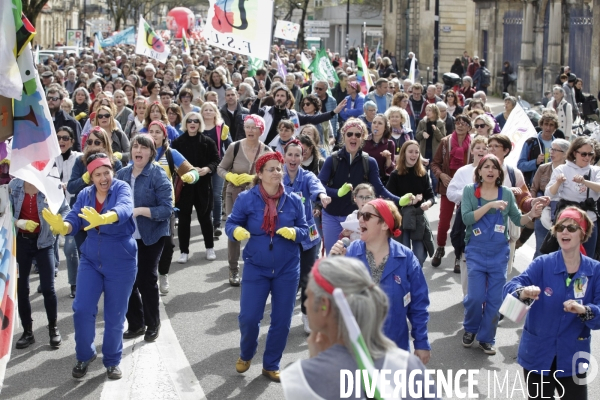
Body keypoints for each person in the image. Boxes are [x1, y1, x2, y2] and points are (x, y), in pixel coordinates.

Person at [280, 257, 434, 399]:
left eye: (308, 296)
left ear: (324, 306)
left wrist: (314, 363)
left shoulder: (298, 380)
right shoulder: (409, 366)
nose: (305, 304)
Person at [43, 152, 137, 380]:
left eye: (107, 172)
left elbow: (125, 208)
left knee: (115, 315)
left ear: (112, 172)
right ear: (91, 176)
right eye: (98, 174)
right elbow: (75, 217)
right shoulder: (85, 194)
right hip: (91, 259)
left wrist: (106, 217)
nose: (104, 178)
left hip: (121, 259)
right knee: (82, 308)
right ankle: (84, 355)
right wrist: (63, 226)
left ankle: (112, 360)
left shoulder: (122, 187)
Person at [226, 152, 308, 382]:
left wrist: (296, 232)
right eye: (270, 169)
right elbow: (231, 223)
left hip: (287, 269)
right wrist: (236, 231)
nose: (276, 173)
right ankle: (246, 354)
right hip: (256, 267)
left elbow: (309, 231)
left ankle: (271, 364)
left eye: (279, 169)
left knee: (281, 321)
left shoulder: (293, 200)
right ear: (259, 174)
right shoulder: (246, 199)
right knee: (249, 318)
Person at [504, 207, 600, 400]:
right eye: (560, 227)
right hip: (538, 353)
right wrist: (523, 293)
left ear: (583, 233)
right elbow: (511, 286)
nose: (564, 232)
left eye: (571, 228)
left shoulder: (595, 270)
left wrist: (584, 310)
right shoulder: (542, 263)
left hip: (573, 356)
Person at [330, 199, 431, 364]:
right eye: (360, 214)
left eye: (367, 216)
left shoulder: (406, 258)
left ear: (385, 224)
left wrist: (421, 342)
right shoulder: (350, 253)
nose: (361, 219)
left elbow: (419, 304)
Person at [461, 154, 543, 355]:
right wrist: (489, 205)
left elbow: (518, 219)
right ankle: (471, 328)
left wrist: (532, 214)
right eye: (486, 166)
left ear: (500, 172)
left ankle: (487, 338)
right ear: (479, 171)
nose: (490, 170)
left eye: (494, 167)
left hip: (499, 254)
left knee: (495, 300)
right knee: (475, 297)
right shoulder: (470, 191)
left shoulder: (506, 193)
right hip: (476, 251)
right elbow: (466, 219)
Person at [116, 135, 173, 342]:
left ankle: (153, 323)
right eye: (135, 146)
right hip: (125, 236)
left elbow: (167, 209)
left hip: (151, 236)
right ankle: (136, 324)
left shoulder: (157, 174)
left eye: (143, 147)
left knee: (146, 279)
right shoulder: (121, 174)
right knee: (127, 280)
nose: (138, 150)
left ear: (152, 152)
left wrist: (140, 210)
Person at [317, 118, 400, 254]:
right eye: (349, 134)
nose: (353, 137)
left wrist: (399, 201)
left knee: (358, 258)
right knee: (334, 258)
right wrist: (337, 192)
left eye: (358, 134)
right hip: (331, 216)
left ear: (363, 138)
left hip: (358, 219)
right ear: (343, 136)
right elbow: (319, 185)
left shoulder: (369, 162)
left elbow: (379, 189)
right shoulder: (332, 159)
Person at [10, 178, 69, 349]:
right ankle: (28, 332)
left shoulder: (50, 185)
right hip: (21, 242)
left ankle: (53, 329)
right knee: (22, 289)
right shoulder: (14, 186)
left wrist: (60, 224)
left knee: (48, 288)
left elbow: (65, 209)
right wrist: (18, 222)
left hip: (44, 243)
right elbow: (5, 212)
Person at [282, 140, 331, 334]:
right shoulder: (277, 176)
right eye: (290, 155)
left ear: (303, 158)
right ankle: (282, 316)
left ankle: (306, 314)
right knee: (286, 278)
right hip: (284, 235)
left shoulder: (308, 176)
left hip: (308, 235)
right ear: (284, 156)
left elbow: (316, 186)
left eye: (297, 155)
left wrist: (322, 196)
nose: (293, 159)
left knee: (308, 278)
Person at [217, 115, 273, 286]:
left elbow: (273, 174)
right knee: (234, 230)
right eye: (247, 127)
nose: (250, 130)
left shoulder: (267, 151)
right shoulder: (234, 147)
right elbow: (220, 168)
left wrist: (255, 177)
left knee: (259, 230)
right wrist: (230, 176)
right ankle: (233, 269)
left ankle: (258, 265)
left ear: (260, 130)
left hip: (258, 196)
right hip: (234, 194)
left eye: (254, 127)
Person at [171, 112, 221, 262]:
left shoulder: (208, 141)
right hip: (185, 185)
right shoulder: (178, 142)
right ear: (185, 123)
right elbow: (173, 162)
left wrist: (207, 169)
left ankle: (209, 248)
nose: (193, 123)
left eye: (196, 121)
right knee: (184, 220)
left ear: (200, 124)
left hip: (203, 185)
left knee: (205, 218)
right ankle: (184, 251)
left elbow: (216, 160)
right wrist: (184, 173)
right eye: (190, 121)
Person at [430, 114, 473, 269]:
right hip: (448, 187)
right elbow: (434, 163)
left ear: (469, 126)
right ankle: (440, 248)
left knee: (462, 223)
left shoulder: (474, 143)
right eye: (457, 123)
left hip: (467, 188)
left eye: (463, 123)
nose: (460, 125)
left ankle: (458, 255)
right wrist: (441, 175)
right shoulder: (445, 141)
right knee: (444, 221)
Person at [546, 137, 600, 257]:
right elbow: (549, 193)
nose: (587, 158)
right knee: (565, 256)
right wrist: (558, 182)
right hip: (568, 220)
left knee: (587, 258)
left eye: (590, 154)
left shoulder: (595, 171)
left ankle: (583, 276)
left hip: (589, 220)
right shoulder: (563, 169)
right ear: (575, 153)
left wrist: (585, 182)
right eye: (583, 154)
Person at [386, 140, 435, 266]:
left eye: (416, 152)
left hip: (418, 217)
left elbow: (431, 196)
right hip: (401, 217)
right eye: (410, 152)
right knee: (404, 252)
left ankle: (415, 275)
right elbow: (389, 199)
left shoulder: (422, 174)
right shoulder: (395, 175)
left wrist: (427, 203)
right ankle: (405, 279)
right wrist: (406, 202)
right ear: (404, 153)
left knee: (419, 255)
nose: (414, 155)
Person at [447, 136, 488, 280]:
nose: (481, 151)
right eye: (478, 148)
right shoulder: (463, 171)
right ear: (472, 151)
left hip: (487, 217)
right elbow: (450, 193)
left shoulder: (493, 171)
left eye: (484, 148)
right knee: (462, 243)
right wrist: (467, 194)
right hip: (465, 214)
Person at [527, 139, 570, 258]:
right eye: (551, 149)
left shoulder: (570, 171)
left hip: (562, 215)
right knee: (541, 251)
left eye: (556, 150)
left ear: (565, 153)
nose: (551, 152)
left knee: (559, 253)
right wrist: (534, 207)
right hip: (542, 213)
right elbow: (533, 189)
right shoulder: (543, 168)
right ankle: (535, 275)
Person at [55, 126, 82, 298]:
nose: (61, 141)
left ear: (72, 141)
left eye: (65, 138)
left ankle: (74, 283)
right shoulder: (49, 159)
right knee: (48, 245)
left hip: (72, 206)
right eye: (58, 138)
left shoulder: (80, 159)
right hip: (52, 205)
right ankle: (48, 280)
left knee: (70, 246)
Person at [199, 101, 232, 237]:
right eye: (205, 110)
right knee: (205, 196)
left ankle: (216, 224)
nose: (207, 112)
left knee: (217, 195)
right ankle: (207, 223)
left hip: (218, 165)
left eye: (210, 110)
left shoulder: (222, 127)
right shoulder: (197, 126)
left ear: (215, 112)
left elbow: (229, 146)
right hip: (200, 166)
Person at [518, 113, 560, 187]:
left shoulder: (558, 145)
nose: (548, 127)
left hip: (553, 185)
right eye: (546, 124)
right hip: (534, 185)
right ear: (541, 125)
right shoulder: (531, 142)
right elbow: (520, 166)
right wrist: (535, 162)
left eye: (551, 125)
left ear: (555, 127)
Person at [415, 104, 446, 195]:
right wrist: (422, 133)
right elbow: (417, 136)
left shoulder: (440, 123)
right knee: (421, 173)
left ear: (435, 112)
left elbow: (442, 138)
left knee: (434, 175)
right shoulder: (422, 122)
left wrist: (436, 130)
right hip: (424, 151)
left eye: (430, 110)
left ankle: (434, 194)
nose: (427, 112)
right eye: (426, 110)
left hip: (435, 152)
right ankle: (422, 193)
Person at [361, 114, 396, 184]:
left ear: (385, 128)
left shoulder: (389, 144)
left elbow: (390, 170)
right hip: (363, 181)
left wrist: (388, 158)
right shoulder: (363, 141)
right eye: (374, 122)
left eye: (380, 123)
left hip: (380, 181)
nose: (376, 125)